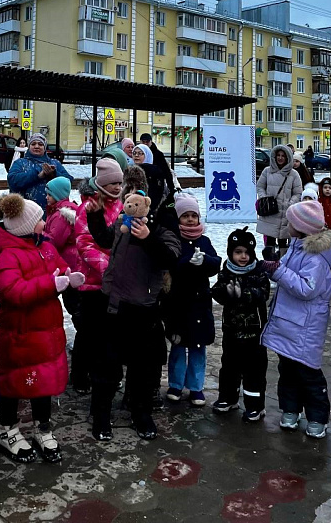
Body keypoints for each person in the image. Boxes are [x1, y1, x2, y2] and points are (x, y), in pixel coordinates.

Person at [85, 164, 180, 442]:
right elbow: (104, 239)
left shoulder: (163, 223)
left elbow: (171, 258)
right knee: (106, 366)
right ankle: (101, 414)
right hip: (113, 302)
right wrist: (95, 218)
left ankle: (141, 413)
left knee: (143, 369)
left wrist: (148, 239)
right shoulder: (125, 218)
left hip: (143, 307)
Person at [0, 193, 83, 463]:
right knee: (14, 382)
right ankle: (7, 430)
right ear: (26, 226)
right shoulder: (9, 256)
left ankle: (43, 428)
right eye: (40, 219)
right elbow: (13, 292)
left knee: (44, 381)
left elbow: (58, 264)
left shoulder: (44, 246)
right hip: (20, 333)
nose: (45, 221)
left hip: (46, 331)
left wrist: (69, 275)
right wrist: (50, 286)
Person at [261, 201, 331, 439]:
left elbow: (306, 288)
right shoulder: (297, 247)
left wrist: (278, 271)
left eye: (291, 222)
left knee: (309, 375)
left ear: (302, 227)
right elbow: (285, 273)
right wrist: (274, 264)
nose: (287, 225)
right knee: (288, 371)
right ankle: (290, 410)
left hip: (305, 328)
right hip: (290, 323)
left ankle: (317, 417)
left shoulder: (316, 258)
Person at [162, 194, 220, 408]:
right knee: (178, 345)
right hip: (179, 303)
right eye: (185, 215)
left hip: (199, 304)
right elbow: (172, 264)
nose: (189, 220)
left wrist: (205, 260)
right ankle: (176, 384)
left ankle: (196, 387)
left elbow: (216, 264)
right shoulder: (174, 239)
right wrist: (188, 261)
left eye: (193, 215)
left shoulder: (204, 240)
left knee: (198, 347)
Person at [73, 159, 124, 395]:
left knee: (111, 333)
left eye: (120, 183)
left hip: (116, 281)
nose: (117, 187)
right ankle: (80, 375)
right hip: (93, 280)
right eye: (112, 183)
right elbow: (84, 243)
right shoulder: (89, 207)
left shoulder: (122, 205)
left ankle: (106, 373)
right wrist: (107, 269)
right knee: (88, 332)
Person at [211, 227, 270, 422]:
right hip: (231, 331)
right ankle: (228, 398)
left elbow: (263, 294)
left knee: (254, 370)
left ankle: (255, 406)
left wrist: (243, 294)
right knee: (229, 366)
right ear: (231, 253)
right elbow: (217, 291)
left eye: (247, 252)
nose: (243, 256)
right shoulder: (226, 271)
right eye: (238, 252)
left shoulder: (259, 272)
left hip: (254, 333)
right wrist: (225, 292)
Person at [256, 145, 302, 257]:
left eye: (283, 156)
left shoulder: (294, 174)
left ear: (288, 158)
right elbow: (260, 187)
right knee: (269, 243)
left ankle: (282, 266)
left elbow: (298, 193)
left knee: (284, 243)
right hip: (270, 211)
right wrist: (264, 198)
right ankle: (269, 264)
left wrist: (290, 204)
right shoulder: (267, 171)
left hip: (286, 214)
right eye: (278, 155)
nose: (280, 158)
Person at [7, 133, 72, 213]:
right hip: (25, 214)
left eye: (40, 144)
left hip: (52, 213)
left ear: (45, 147)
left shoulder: (55, 163)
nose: (37, 146)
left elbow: (68, 180)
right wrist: (37, 175)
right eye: (33, 144)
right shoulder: (20, 163)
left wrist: (54, 175)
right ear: (29, 146)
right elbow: (12, 180)